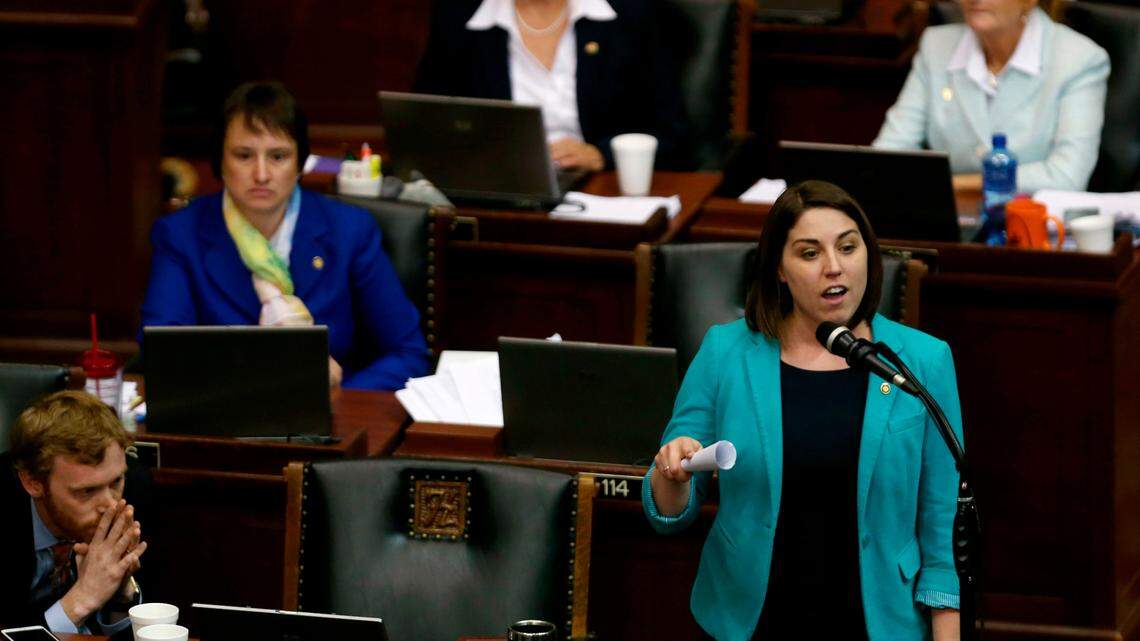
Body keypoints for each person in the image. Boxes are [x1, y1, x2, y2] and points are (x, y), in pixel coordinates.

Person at [642, 181, 964, 641]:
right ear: (779, 268)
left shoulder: (923, 361)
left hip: (879, 621)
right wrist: (671, 472)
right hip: (750, 616)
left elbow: (941, 529)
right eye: (810, 254)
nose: (834, 267)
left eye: (848, 248)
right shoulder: (726, 353)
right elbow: (670, 509)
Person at [140, 82, 429, 391]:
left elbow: (409, 353)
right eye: (244, 155)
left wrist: (340, 395)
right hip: (224, 416)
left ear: (300, 164)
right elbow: (162, 354)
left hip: (334, 422)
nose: (261, 174)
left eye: (278, 156)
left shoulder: (349, 231)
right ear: (220, 162)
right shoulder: (180, 235)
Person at [413, 0, 689, 171]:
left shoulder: (631, 12)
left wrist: (601, 156)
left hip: (603, 192)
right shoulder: (459, 13)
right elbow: (426, 125)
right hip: (498, 196)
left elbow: (672, 133)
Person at [873, 0, 1109, 193]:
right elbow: (888, 153)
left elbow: (1067, 176)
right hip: (951, 226)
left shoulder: (1079, 59)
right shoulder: (936, 45)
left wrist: (956, 185)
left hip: (1036, 228)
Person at [0, 391, 147, 635]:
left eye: (115, 482)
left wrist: (121, 594)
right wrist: (82, 598)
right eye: (87, 491)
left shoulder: (136, 488)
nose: (111, 505)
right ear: (33, 482)